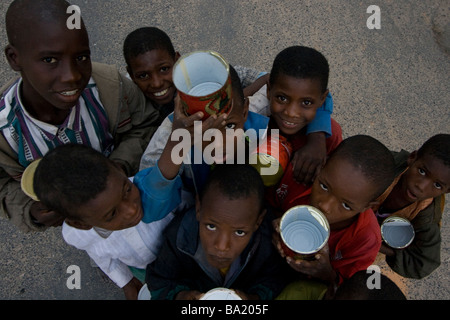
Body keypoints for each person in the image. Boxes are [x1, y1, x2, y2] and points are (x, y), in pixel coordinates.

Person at [0, 0, 161, 233]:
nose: (72, 76)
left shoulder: (110, 87)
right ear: (14, 58)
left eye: (82, 57)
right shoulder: (5, 133)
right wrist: (30, 211)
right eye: (49, 60)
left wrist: (117, 168)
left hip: (130, 196)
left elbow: (145, 124)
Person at [273, 135, 395, 298]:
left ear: (367, 207)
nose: (325, 206)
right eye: (323, 186)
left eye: (346, 205)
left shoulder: (366, 239)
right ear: (323, 165)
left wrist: (325, 272)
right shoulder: (301, 176)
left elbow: (348, 288)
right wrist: (273, 223)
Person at [146, 164, 292, 300]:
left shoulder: (267, 240)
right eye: (211, 226)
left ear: (258, 222)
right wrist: (180, 295)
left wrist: (254, 298)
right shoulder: (180, 236)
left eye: (239, 232)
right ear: (198, 208)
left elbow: (277, 279)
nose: (222, 246)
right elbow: (159, 280)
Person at [263, 46, 342, 214]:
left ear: (322, 99)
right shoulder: (256, 119)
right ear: (269, 90)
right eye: (282, 98)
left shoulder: (329, 137)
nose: (291, 113)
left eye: (306, 103)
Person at [373, 134, 450, 279]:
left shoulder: (426, 216)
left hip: (370, 245)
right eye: (422, 171)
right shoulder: (385, 163)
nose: (421, 186)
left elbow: (422, 264)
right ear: (412, 158)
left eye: (437, 185)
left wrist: (377, 245)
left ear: (447, 190)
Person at [123, 27, 180, 125]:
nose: (157, 84)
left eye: (164, 69)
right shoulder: (128, 103)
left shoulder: (197, 88)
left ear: (177, 61)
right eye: (143, 75)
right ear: (132, 75)